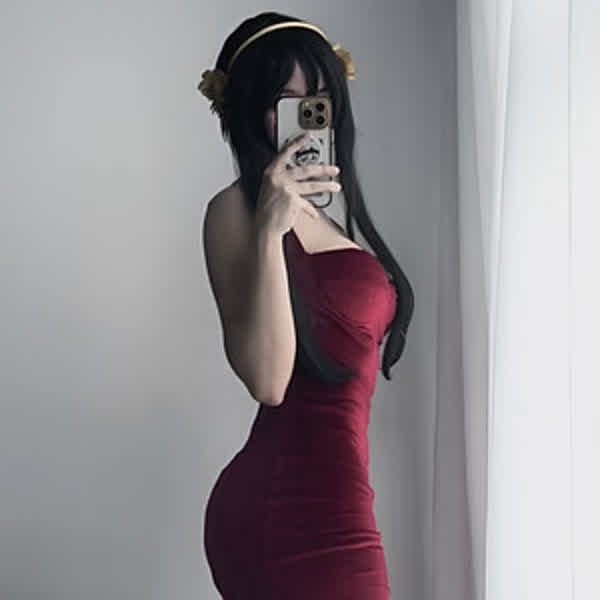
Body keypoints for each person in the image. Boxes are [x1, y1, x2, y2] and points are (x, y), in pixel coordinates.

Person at [198, 11, 415, 599]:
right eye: (284, 101)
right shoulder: (236, 212)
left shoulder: (330, 223)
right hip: (284, 506)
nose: (305, 116)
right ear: (248, 112)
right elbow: (269, 381)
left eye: (316, 99)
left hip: (341, 497)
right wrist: (270, 231)